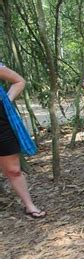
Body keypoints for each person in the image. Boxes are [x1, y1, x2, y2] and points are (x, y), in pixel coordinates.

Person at [0, 63, 45, 218]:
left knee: (13, 170)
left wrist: (5, 101)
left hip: (2, 125)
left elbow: (19, 81)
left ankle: (29, 206)